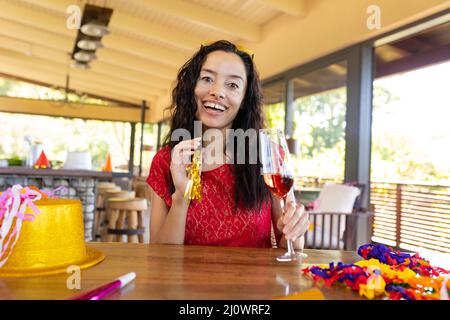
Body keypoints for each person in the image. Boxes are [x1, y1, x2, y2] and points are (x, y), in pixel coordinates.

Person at [147, 40, 309, 248]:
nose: (218, 92)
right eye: (207, 78)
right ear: (191, 88)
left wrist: (295, 228)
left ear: (244, 101)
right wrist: (181, 197)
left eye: (232, 85)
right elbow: (161, 257)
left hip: (253, 280)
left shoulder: (266, 155)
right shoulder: (165, 161)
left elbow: (290, 246)